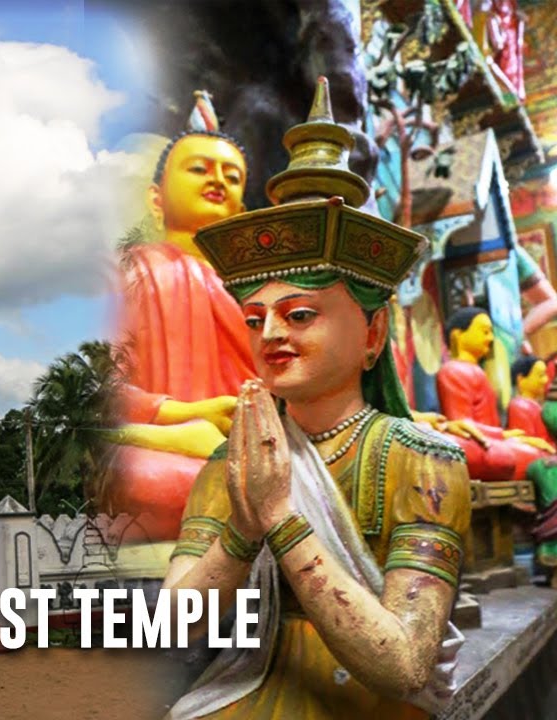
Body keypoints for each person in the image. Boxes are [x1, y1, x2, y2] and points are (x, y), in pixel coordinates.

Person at [166, 78, 468, 719]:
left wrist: (280, 517)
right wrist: (242, 531)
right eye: (255, 320)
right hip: (252, 685)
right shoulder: (234, 466)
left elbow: (405, 663)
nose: (271, 333)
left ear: (374, 332)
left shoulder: (424, 461)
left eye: (300, 314)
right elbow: (171, 627)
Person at [106, 91, 253, 541]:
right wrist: (183, 420)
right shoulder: (128, 272)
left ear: (242, 209)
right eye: (199, 169)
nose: (218, 181)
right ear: (156, 199)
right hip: (171, 447)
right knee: (141, 477)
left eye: (232, 176)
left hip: (249, 449)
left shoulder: (256, 291)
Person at [436, 307, 554, 480]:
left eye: (491, 332)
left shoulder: (478, 371)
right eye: (484, 332)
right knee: (539, 458)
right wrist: (503, 435)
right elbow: (462, 422)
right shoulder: (452, 370)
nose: (490, 338)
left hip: (493, 442)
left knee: (540, 454)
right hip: (480, 443)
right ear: (457, 335)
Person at [506, 353, 551, 441]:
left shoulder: (533, 405)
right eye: (541, 375)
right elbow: (527, 442)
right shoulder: (520, 407)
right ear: (521, 379)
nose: (546, 380)